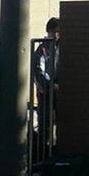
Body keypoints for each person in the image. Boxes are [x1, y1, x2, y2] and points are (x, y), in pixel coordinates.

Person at [32, 17, 60, 162]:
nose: (55, 35)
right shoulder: (42, 48)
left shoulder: (61, 46)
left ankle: (57, 152)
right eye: (53, 32)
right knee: (45, 124)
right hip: (46, 91)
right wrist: (48, 85)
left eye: (58, 32)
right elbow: (38, 69)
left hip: (59, 89)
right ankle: (43, 156)